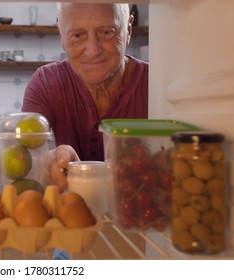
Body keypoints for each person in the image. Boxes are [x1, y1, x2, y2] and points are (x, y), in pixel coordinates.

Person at [22, 3, 148, 192]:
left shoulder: (155, 83)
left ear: (128, 29)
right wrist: (46, 161)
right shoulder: (46, 83)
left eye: (106, 32)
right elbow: (23, 158)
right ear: (62, 36)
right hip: (72, 213)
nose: (92, 50)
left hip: (141, 217)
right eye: (77, 36)